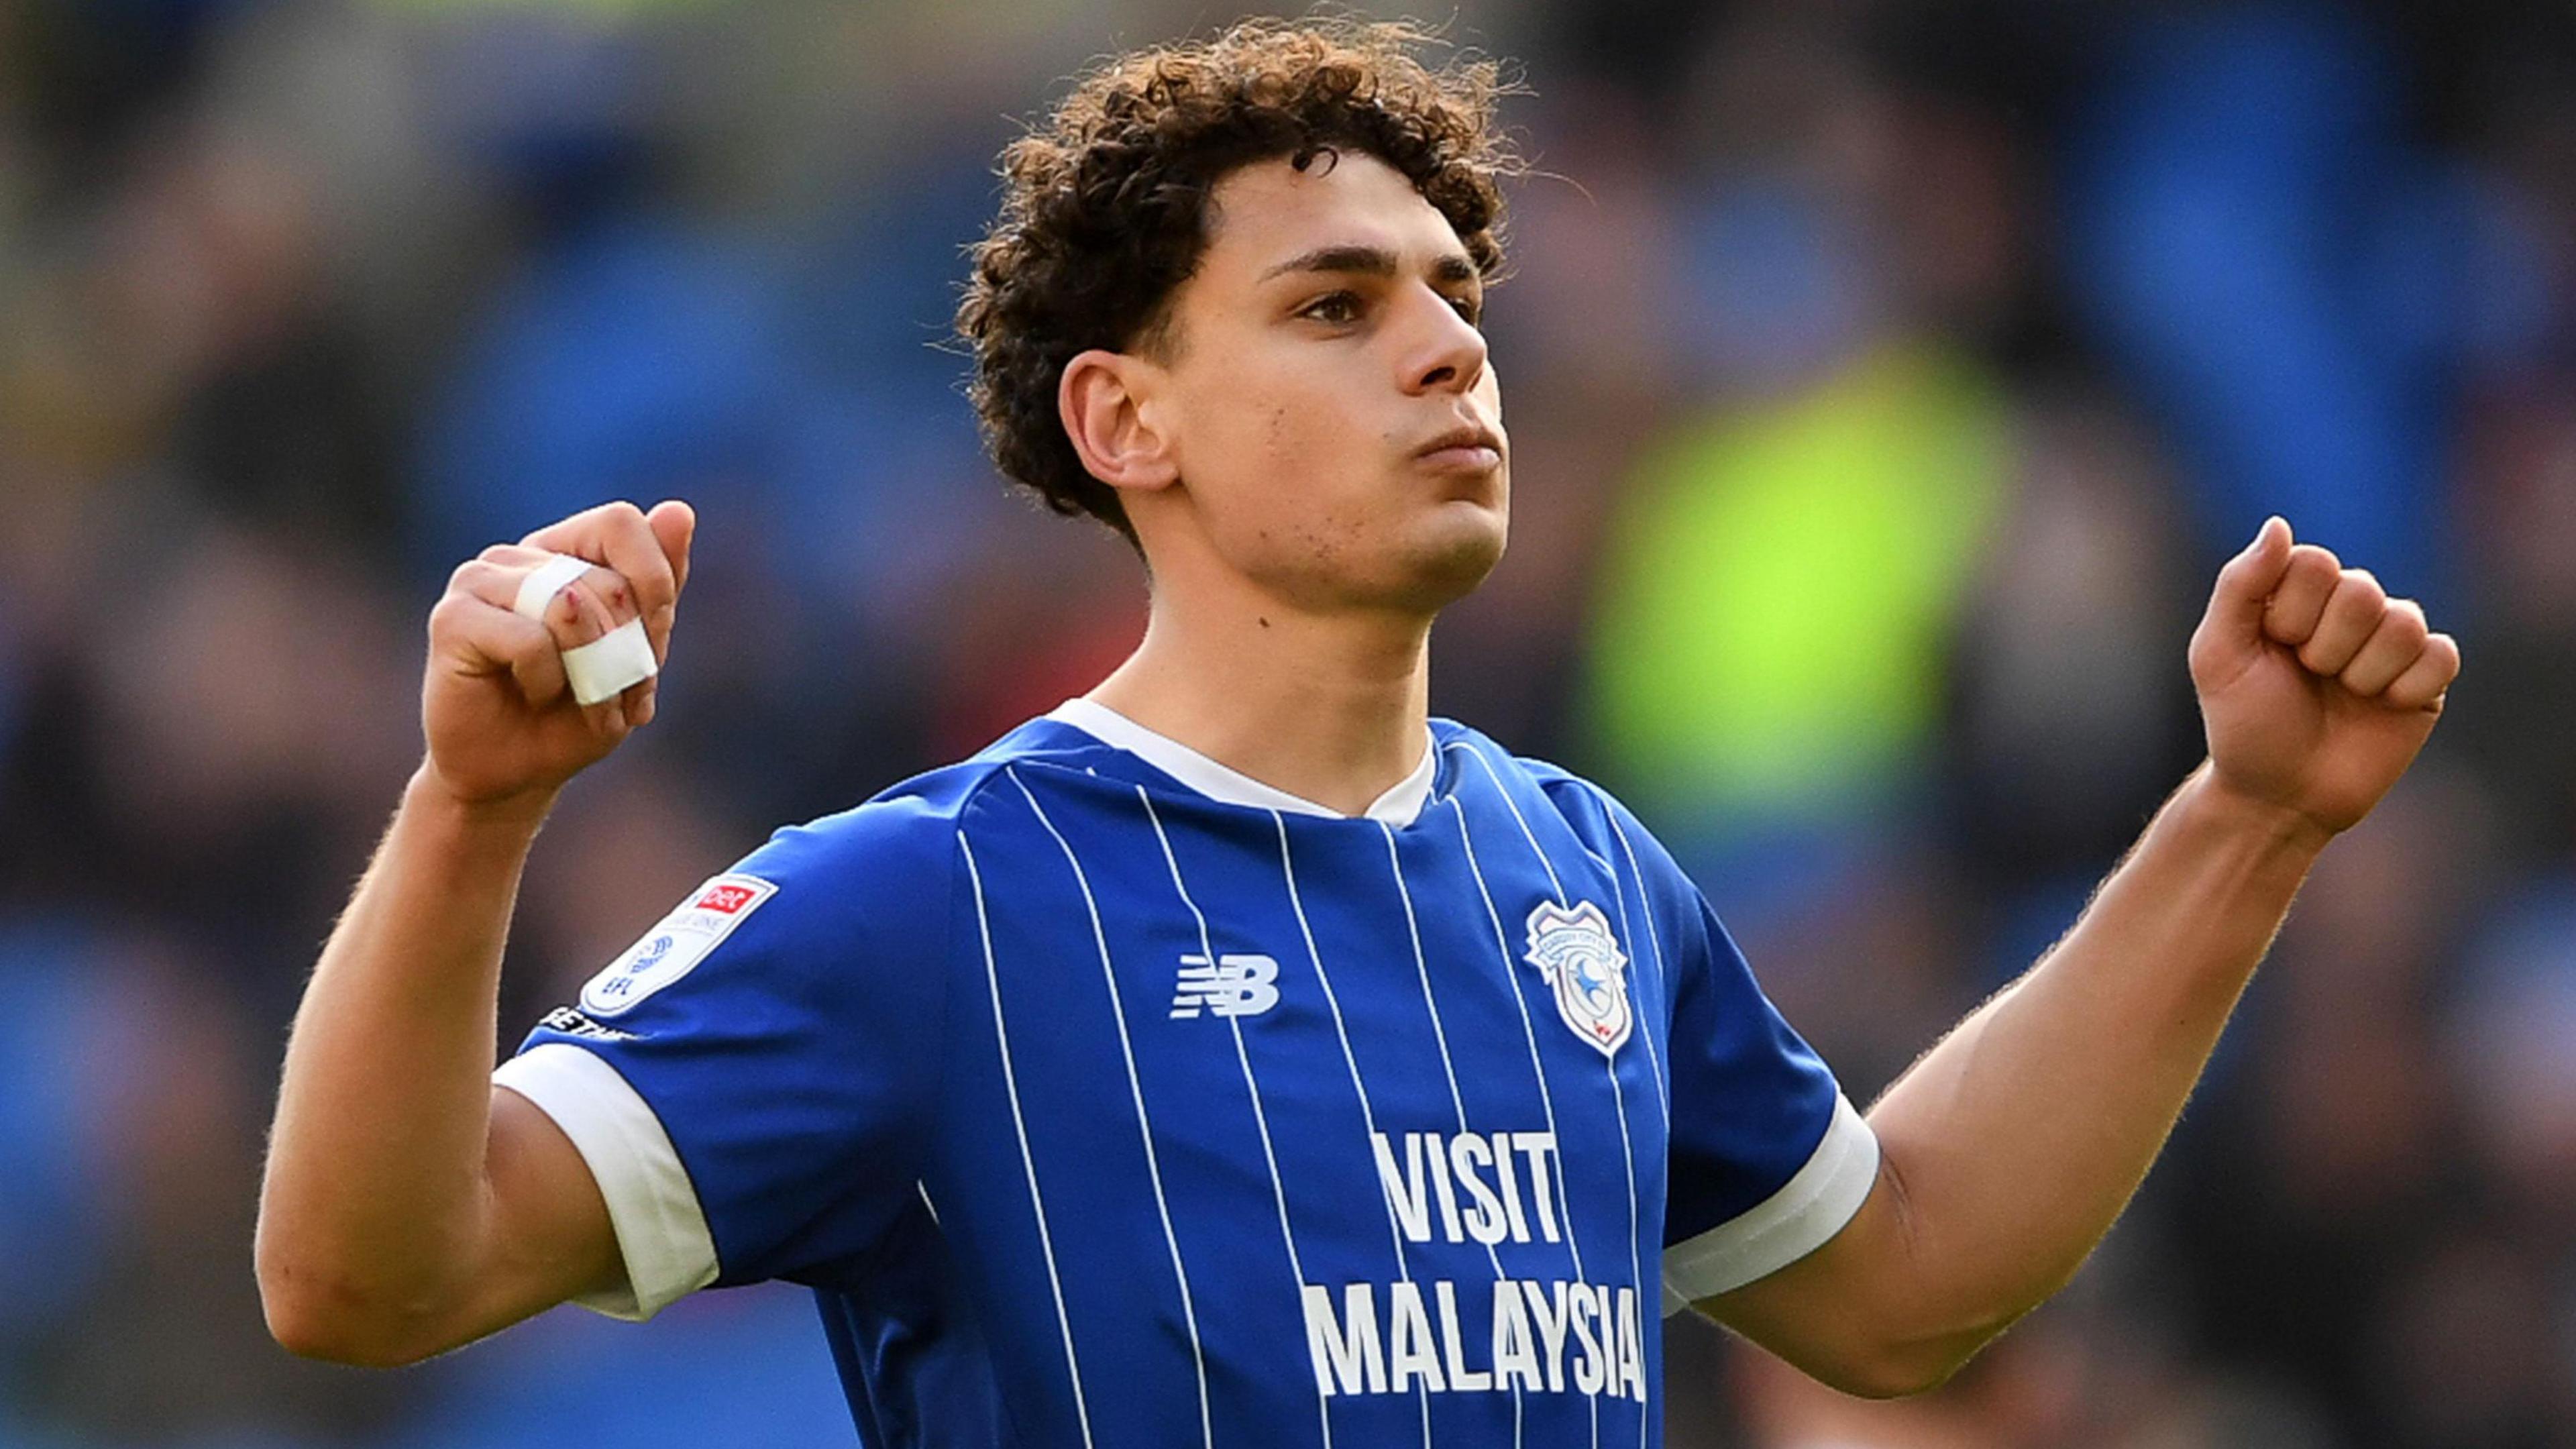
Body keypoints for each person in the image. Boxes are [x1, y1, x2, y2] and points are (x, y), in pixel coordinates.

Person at [254, 17, 2463, 1446]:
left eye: (1454, 299)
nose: (1445, 354)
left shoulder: (1582, 877)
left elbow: (1908, 1287)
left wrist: (2248, 820)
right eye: (1336, 305)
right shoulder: (934, 904)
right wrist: (473, 815)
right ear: (1126, 420)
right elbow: (364, 1276)